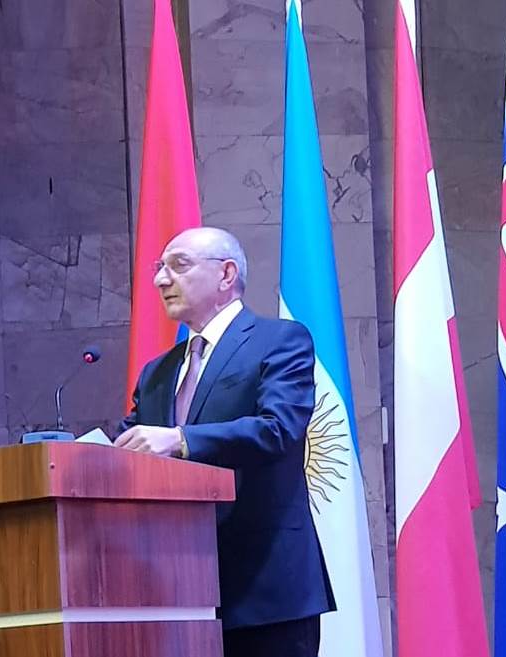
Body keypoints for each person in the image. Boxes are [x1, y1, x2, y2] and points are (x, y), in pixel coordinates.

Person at [116, 226, 335, 657]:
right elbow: (129, 446)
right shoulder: (157, 372)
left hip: (266, 591)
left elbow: (278, 429)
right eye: (158, 268)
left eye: (178, 265)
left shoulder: (280, 341)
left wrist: (181, 440)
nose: (160, 280)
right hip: (176, 593)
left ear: (226, 274)